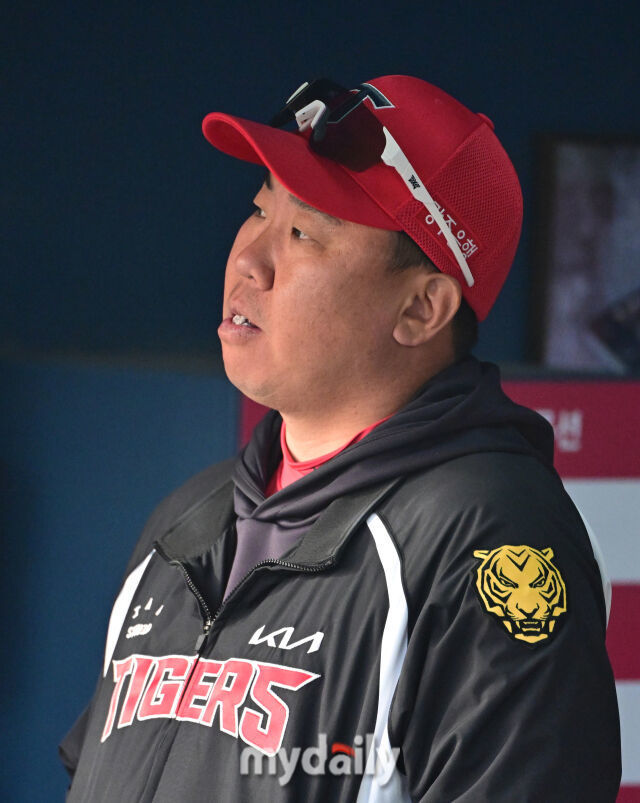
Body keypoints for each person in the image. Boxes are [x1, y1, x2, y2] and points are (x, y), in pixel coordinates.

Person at [60, 75, 621, 802]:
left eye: (303, 234)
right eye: (259, 210)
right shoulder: (188, 517)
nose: (249, 259)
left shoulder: (488, 536)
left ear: (421, 308)